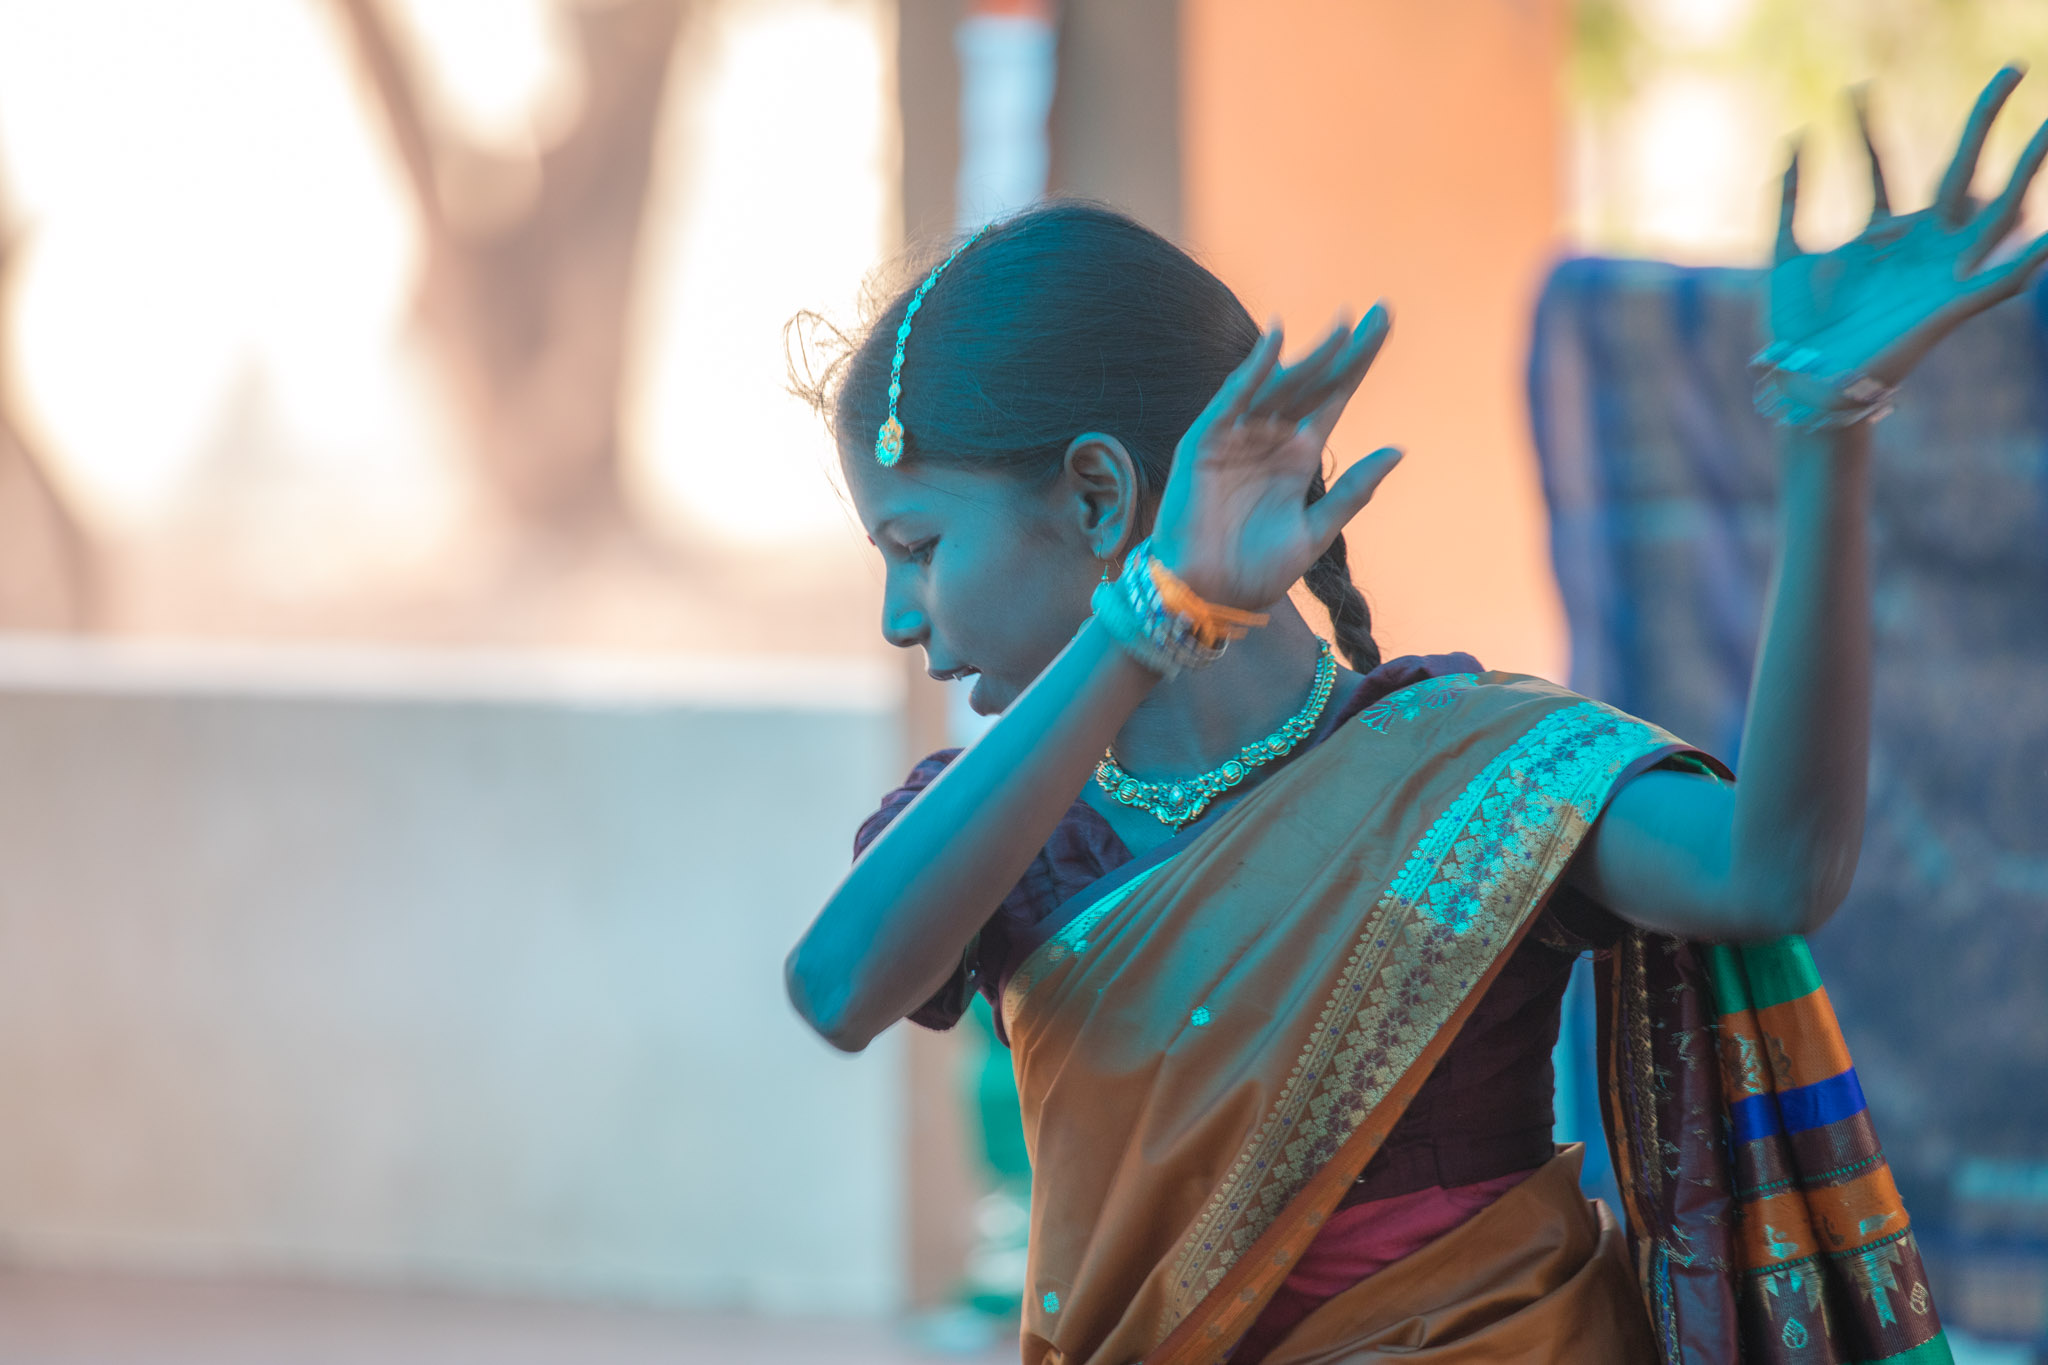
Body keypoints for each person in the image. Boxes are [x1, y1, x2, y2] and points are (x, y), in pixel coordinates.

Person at [786, 68, 2048, 1364]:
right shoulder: (1007, 833)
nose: (898, 615)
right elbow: (836, 986)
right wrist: (1145, 623)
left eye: (917, 547)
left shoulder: (1476, 775)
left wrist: (1827, 435)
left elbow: (1771, 870)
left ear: (1099, 497)